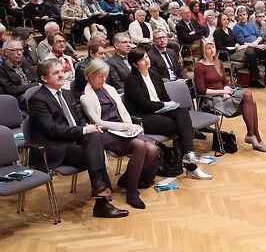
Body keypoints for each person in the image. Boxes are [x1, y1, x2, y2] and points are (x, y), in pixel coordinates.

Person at [28, 59, 129, 218]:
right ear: (44, 78)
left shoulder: (66, 93)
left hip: (73, 139)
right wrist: (83, 130)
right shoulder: (37, 99)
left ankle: (99, 190)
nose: (61, 75)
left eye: (62, 71)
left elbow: (79, 118)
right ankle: (101, 201)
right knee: (95, 153)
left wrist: (88, 128)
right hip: (56, 147)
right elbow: (52, 130)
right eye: (56, 73)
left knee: (95, 137)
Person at [80, 58, 159, 209]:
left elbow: (123, 111)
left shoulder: (110, 89)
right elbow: (98, 122)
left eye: (105, 76)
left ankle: (126, 179)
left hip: (122, 128)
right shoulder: (85, 96)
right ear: (90, 75)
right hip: (104, 132)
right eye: (100, 76)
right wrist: (124, 126)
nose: (103, 79)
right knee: (140, 146)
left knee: (153, 149)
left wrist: (132, 126)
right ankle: (132, 192)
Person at [123, 48, 211, 180]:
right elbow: (143, 105)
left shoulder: (154, 75)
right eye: (142, 59)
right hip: (142, 116)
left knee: (181, 112)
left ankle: (189, 153)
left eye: (146, 57)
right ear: (135, 64)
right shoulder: (131, 80)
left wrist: (170, 103)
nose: (146, 60)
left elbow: (164, 96)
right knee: (182, 127)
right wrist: (165, 105)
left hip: (159, 110)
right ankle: (191, 165)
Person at [194, 39, 266, 152]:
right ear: (203, 50)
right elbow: (201, 90)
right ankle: (255, 138)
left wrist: (226, 89)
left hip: (224, 94)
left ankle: (252, 135)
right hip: (211, 100)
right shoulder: (199, 66)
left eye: (213, 47)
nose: (212, 50)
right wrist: (222, 92)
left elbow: (225, 82)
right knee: (251, 103)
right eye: (208, 48)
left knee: (248, 97)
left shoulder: (218, 62)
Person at [232, 6, 266, 87]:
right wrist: (256, 46)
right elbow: (242, 42)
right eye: (240, 15)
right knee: (251, 51)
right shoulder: (236, 28)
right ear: (237, 17)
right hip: (244, 49)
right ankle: (255, 77)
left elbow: (259, 36)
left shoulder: (251, 24)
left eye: (244, 14)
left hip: (256, 45)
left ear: (247, 15)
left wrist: (256, 43)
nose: (243, 17)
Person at [0, 39, 38, 110]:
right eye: (15, 50)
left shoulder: (24, 64)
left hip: (33, 91)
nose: (19, 53)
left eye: (21, 50)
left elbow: (34, 79)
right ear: (6, 52)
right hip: (19, 98)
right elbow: (13, 89)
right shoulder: (2, 70)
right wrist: (35, 85)